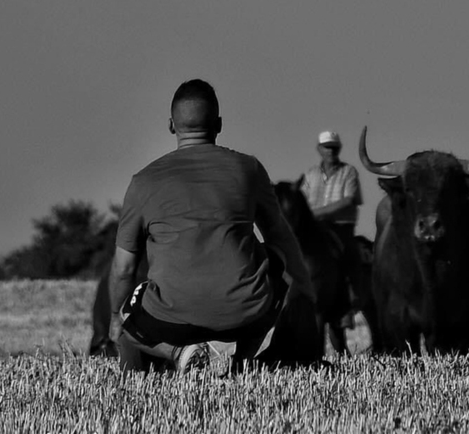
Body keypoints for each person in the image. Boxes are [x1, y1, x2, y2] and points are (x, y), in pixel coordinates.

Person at [109, 79, 316, 373]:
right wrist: (305, 294)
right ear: (218, 124)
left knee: (127, 312)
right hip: (245, 317)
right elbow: (279, 236)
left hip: (170, 320)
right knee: (277, 262)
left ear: (171, 126)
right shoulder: (249, 169)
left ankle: (179, 353)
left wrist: (115, 318)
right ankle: (242, 360)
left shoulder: (143, 181)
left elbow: (123, 270)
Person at [300, 130, 362, 326]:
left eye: (334, 147)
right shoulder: (311, 174)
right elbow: (303, 202)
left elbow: (349, 200)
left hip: (340, 227)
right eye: (327, 147)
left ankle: (348, 306)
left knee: (346, 256)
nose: (331, 151)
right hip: (317, 229)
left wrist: (319, 213)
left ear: (339, 149)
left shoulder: (349, 172)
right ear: (319, 149)